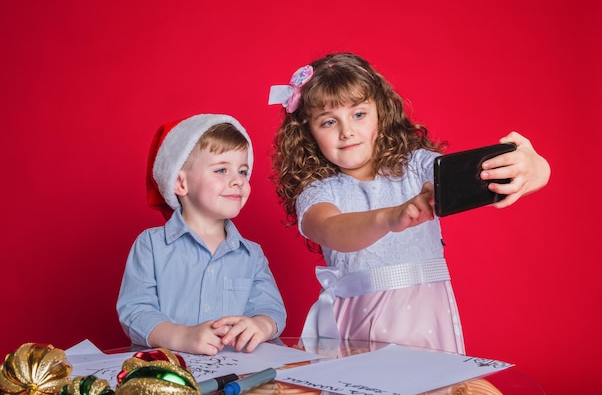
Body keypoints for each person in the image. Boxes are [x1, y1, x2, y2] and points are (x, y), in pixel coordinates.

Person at [268, 53, 550, 355]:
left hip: (428, 324)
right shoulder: (318, 191)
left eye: (359, 114)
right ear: (308, 132)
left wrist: (535, 167)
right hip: (361, 333)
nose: (346, 131)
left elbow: (468, 176)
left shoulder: (415, 167)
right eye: (328, 122)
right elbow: (328, 228)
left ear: (381, 112)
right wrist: (389, 218)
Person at [117, 113, 286, 355]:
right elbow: (135, 310)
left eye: (242, 171)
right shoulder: (151, 245)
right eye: (221, 170)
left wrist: (261, 324)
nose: (238, 180)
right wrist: (183, 336)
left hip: (235, 373)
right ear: (180, 183)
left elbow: (271, 308)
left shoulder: (252, 255)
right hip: (169, 375)